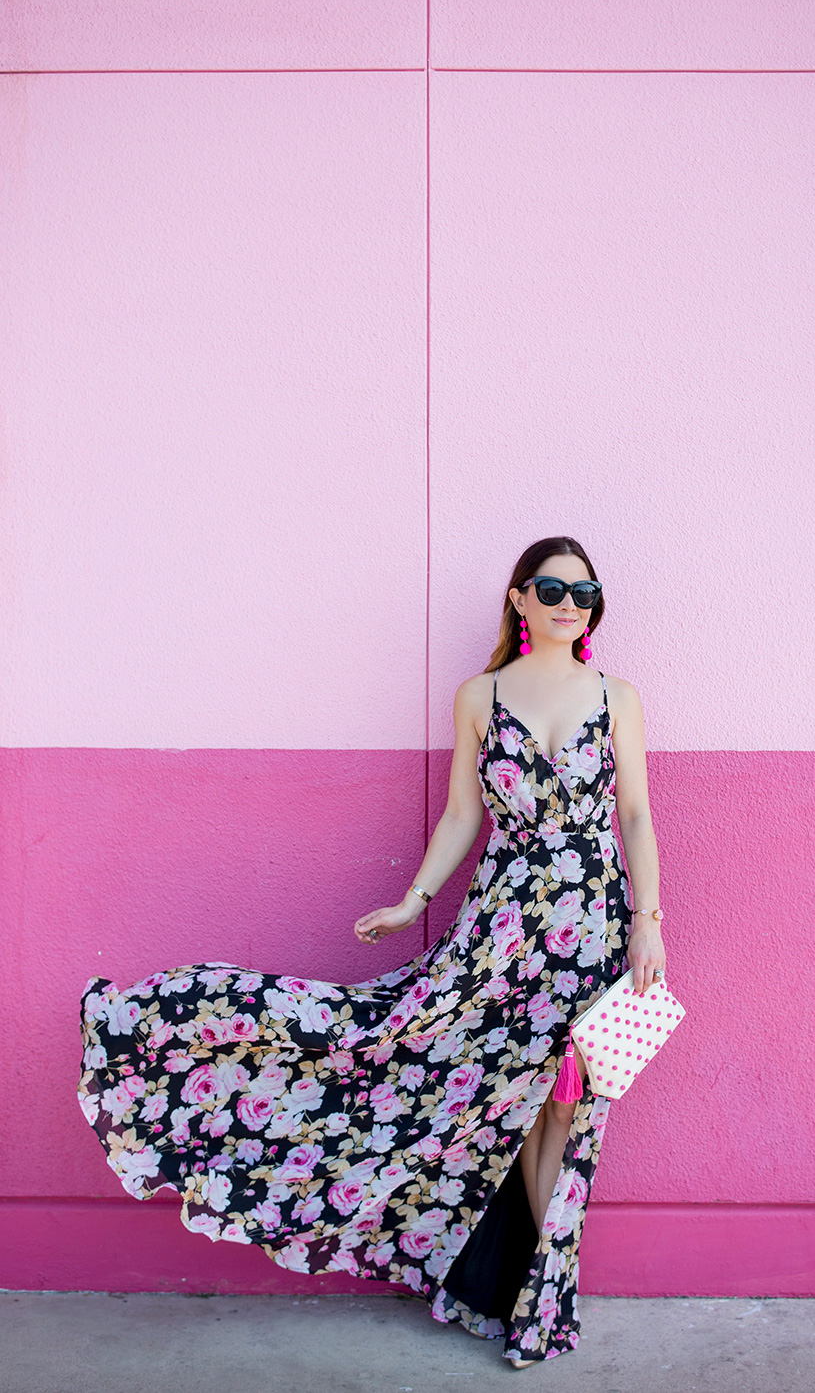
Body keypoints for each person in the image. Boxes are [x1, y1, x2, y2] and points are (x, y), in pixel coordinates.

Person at [78, 535, 666, 1367]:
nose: (569, 602)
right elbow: (465, 814)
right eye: (551, 587)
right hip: (499, 931)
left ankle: (544, 1298)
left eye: (584, 590)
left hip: (593, 929)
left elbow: (634, 814)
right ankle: (171, 1025)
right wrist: (413, 901)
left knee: (564, 1107)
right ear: (519, 598)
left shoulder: (619, 697)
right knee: (411, 1054)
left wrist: (650, 917)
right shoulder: (480, 695)